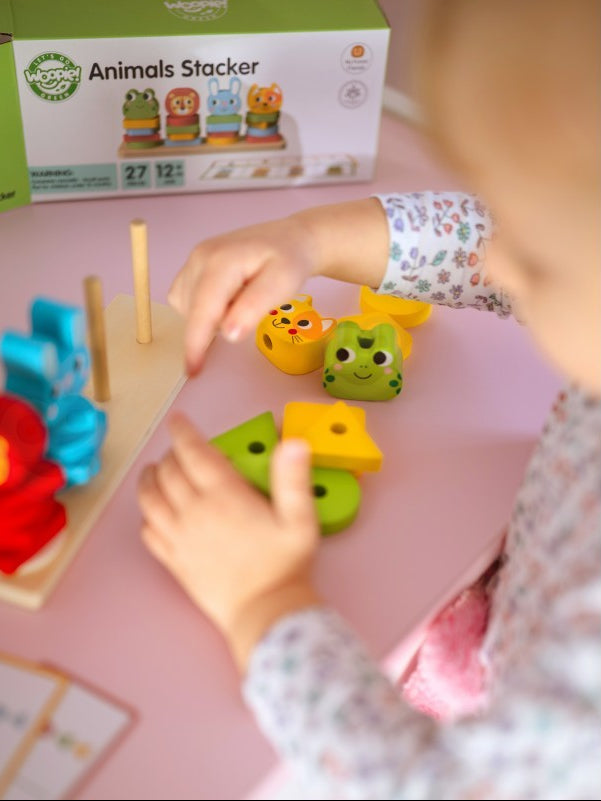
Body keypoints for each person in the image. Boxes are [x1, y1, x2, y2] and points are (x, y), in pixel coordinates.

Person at [137, 1, 600, 797]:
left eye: (533, 259)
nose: (492, 265)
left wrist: (264, 600)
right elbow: (485, 236)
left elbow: (424, 783)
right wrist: (312, 238)